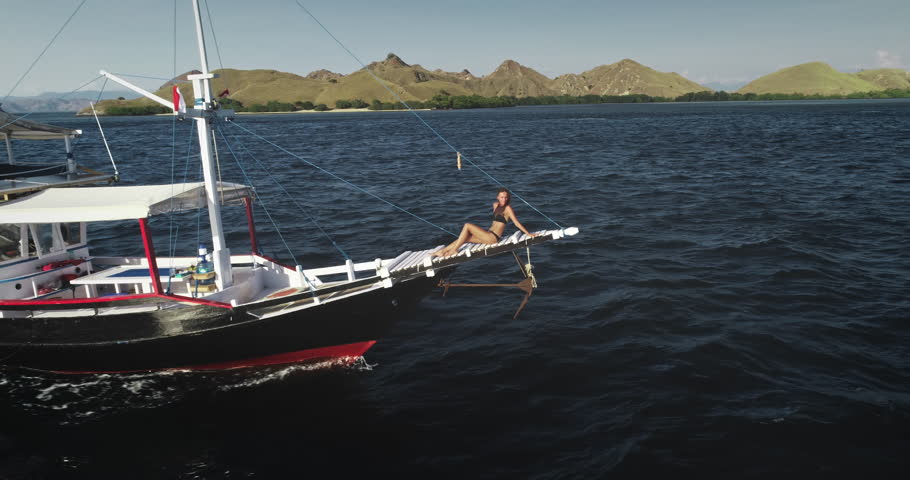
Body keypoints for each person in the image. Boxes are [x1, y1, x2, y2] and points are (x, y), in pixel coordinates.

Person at [432, 187, 537, 258]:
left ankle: (454, 250)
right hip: (488, 234)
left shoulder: (508, 208)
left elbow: (516, 223)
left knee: (467, 225)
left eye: (506, 197)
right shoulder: (495, 205)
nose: (504, 199)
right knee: (465, 237)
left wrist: (528, 233)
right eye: (502, 197)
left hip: (493, 237)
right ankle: (443, 251)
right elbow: (494, 223)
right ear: (497, 197)